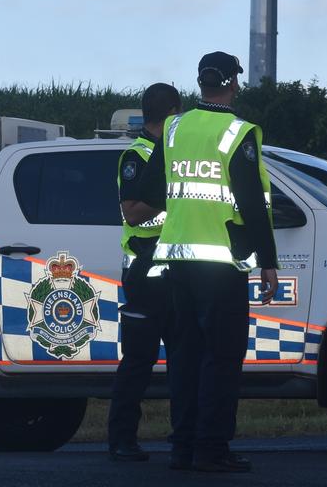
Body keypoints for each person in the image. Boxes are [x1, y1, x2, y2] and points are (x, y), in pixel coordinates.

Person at [123, 51, 278, 473]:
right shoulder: (238, 131)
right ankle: (212, 448)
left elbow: (152, 193)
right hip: (221, 265)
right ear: (233, 85)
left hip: (177, 262)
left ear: (200, 84)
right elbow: (251, 201)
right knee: (223, 357)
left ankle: (183, 447)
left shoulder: (173, 128)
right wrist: (268, 260)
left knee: (186, 356)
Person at [107, 82, 182, 462]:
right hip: (147, 274)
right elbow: (133, 213)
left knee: (186, 359)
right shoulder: (137, 156)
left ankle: (185, 440)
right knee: (138, 360)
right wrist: (169, 199)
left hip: (180, 273)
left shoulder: (178, 155)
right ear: (171, 114)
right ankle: (122, 440)